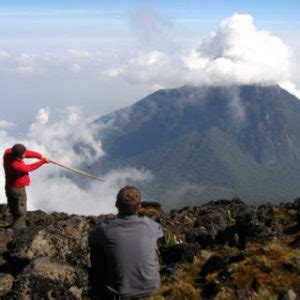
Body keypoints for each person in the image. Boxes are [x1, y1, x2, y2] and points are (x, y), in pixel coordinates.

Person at [89, 186, 164, 299]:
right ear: (138, 207)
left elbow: (91, 238)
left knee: (98, 246)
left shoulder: (104, 230)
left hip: (119, 293)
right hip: (152, 288)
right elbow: (160, 235)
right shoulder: (150, 226)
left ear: (116, 205)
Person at [3, 144, 50, 230]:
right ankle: (18, 229)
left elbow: (26, 153)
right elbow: (28, 168)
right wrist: (42, 162)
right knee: (21, 210)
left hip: (9, 185)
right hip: (17, 189)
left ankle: (14, 218)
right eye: (23, 155)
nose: (25, 155)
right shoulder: (16, 165)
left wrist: (39, 156)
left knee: (13, 204)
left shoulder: (8, 152)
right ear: (19, 156)